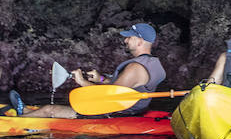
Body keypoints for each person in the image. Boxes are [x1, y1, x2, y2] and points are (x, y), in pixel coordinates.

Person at [17, 23, 166, 118]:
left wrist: (82, 82)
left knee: (50, 110)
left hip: (115, 114)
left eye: (130, 38)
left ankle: (5, 121)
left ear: (140, 41)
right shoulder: (154, 64)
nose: (125, 40)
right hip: (133, 111)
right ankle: (25, 112)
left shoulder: (134, 68)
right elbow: (131, 85)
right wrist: (101, 79)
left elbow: (109, 97)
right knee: (48, 109)